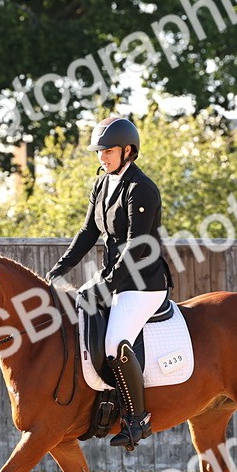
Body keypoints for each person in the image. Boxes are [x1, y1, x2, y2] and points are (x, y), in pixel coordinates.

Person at [46, 116, 172, 450]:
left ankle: (137, 418)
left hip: (143, 283)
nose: (102, 156)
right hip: (114, 277)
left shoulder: (140, 187)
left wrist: (106, 284)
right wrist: (60, 268)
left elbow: (136, 246)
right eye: (99, 151)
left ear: (128, 151)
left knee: (116, 341)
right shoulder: (102, 184)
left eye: (108, 150)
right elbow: (89, 231)